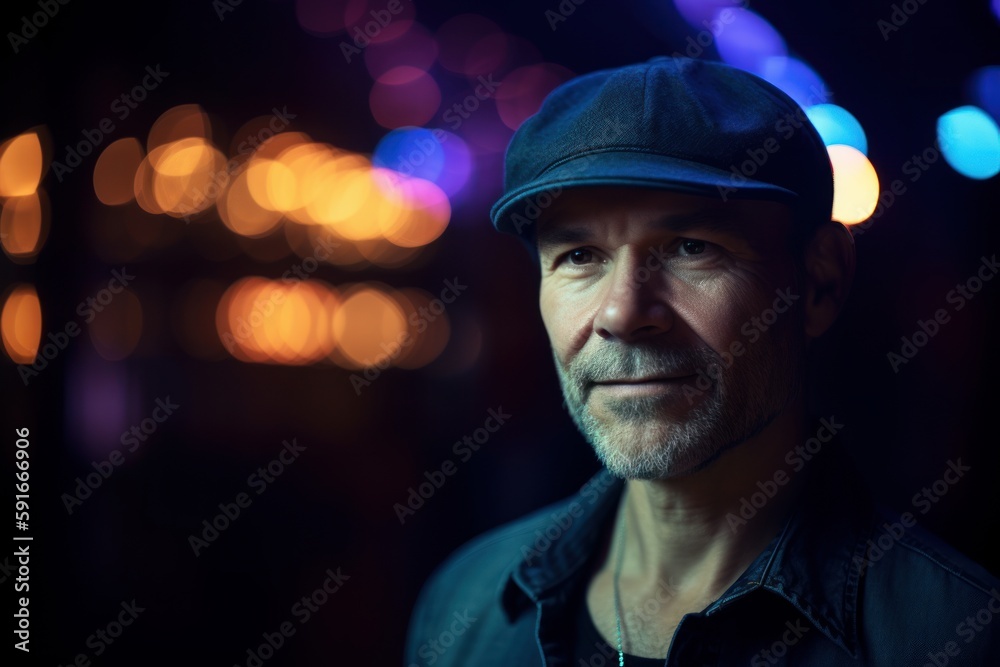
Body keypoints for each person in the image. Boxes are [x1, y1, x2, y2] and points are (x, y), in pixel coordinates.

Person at [403, 56, 1000, 666]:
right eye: (580, 255)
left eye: (693, 248)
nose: (623, 312)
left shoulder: (957, 638)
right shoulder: (464, 607)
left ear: (819, 282)